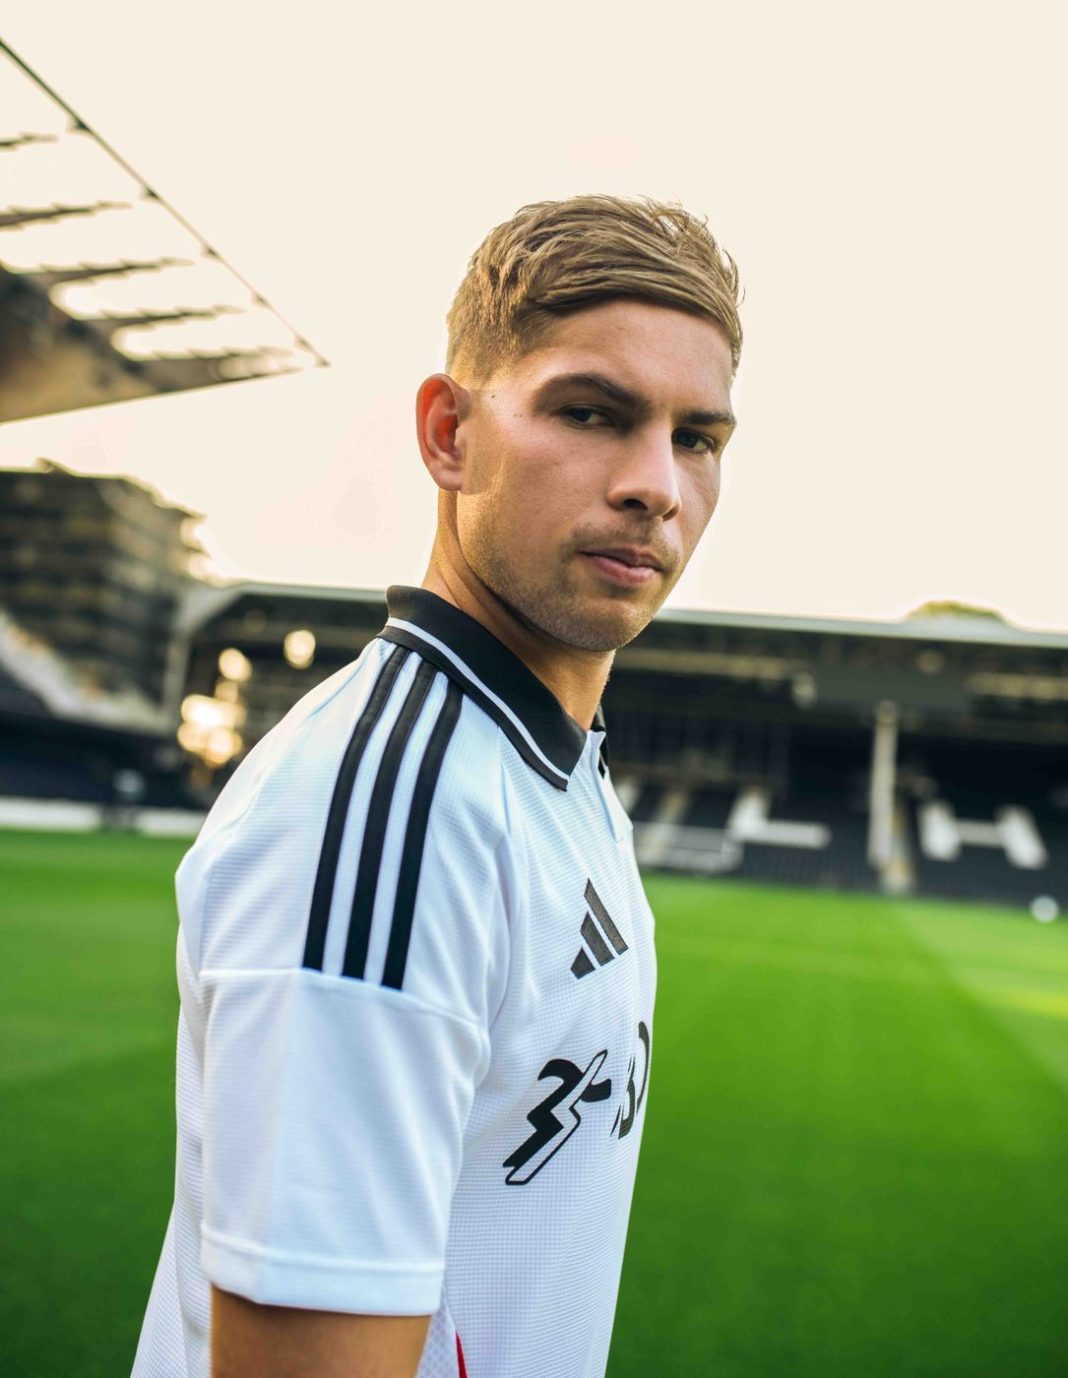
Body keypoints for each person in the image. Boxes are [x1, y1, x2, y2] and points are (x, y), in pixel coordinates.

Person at [132, 193, 742, 1378]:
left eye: (697, 437)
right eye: (590, 412)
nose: (656, 483)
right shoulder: (385, 816)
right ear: (449, 434)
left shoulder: (554, 763)